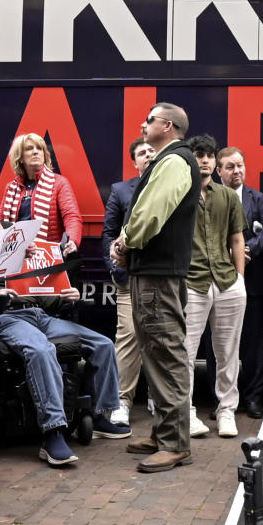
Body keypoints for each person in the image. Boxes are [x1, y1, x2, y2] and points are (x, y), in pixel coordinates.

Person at [110, 102, 201, 474]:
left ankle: (175, 444)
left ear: (166, 125)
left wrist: (125, 242)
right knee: (156, 352)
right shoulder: (170, 160)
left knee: (166, 354)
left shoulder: (175, 161)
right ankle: (164, 433)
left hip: (158, 275)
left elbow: (150, 212)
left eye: (149, 120)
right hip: (157, 273)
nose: (143, 125)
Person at [0, 276, 131, 467]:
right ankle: (53, 431)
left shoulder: (37, 257)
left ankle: (99, 417)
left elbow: (50, 297)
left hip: (41, 315)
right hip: (5, 317)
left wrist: (68, 297)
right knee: (42, 350)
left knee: (103, 344)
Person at [180, 134, 246, 438]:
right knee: (186, 353)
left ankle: (226, 410)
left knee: (228, 352)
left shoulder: (229, 196)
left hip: (227, 281)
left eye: (209, 155)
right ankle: (187, 413)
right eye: (199, 154)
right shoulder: (179, 193)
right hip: (191, 281)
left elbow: (236, 239)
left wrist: (240, 279)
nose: (204, 159)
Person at [217, 146, 263, 419]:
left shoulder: (259, 199)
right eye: (230, 167)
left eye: (240, 165)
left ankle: (253, 399)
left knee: (253, 345)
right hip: (216, 282)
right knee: (218, 345)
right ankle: (221, 403)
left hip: (252, 283)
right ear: (219, 171)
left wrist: (246, 249)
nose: (236, 171)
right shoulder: (209, 198)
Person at [101, 137, 156, 425]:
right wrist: (116, 269)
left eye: (151, 150)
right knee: (129, 337)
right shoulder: (121, 191)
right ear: (134, 162)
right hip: (128, 279)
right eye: (142, 153)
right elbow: (108, 232)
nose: (148, 155)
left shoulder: (168, 187)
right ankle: (122, 400)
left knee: (159, 338)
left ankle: (157, 399)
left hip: (160, 277)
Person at [0, 133, 80, 255]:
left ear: (44, 155)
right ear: (20, 157)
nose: (35, 152)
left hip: (47, 257)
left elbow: (71, 216)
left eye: (39, 148)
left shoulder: (59, 183)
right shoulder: (11, 188)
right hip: (16, 254)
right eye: (29, 148)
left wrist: (72, 241)